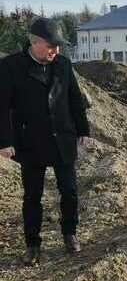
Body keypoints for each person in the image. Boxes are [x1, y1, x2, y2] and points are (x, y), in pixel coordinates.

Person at [0, 18, 91, 265]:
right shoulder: (11, 67)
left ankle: (70, 233)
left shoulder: (63, 64)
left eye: (58, 46)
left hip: (62, 137)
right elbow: (2, 106)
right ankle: (32, 245)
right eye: (51, 46)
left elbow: (75, 99)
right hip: (30, 140)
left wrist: (83, 129)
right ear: (35, 42)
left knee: (70, 191)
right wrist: (4, 141)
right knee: (32, 196)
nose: (56, 51)